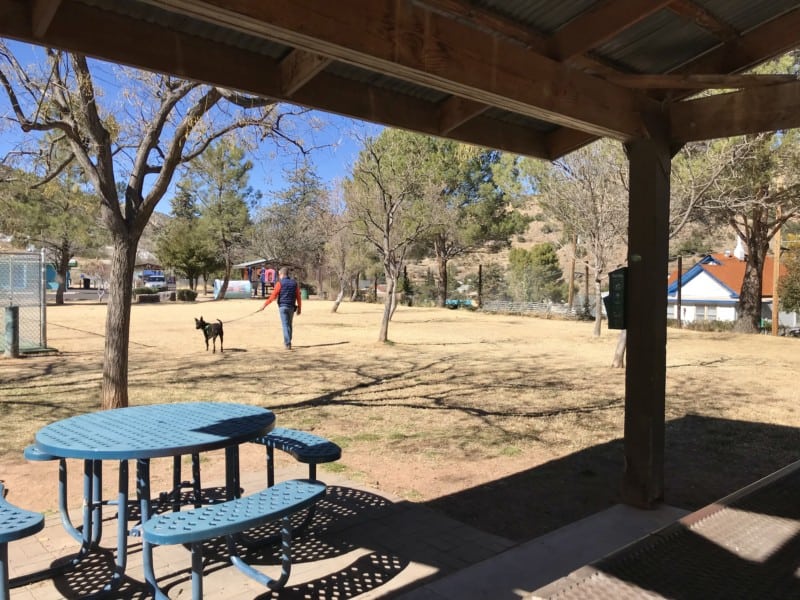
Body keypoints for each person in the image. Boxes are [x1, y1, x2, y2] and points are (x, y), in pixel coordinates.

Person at [257, 267, 301, 349]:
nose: (279, 276)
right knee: (289, 325)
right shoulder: (294, 284)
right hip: (291, 307)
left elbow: (273, 296)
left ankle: (287, 343)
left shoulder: (279, 283)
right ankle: (288, 341)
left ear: (282, 274)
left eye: (279, 274)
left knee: (285, 325)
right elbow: (298, 297)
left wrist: (264, 305)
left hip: (282, 307)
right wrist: (299, 308)